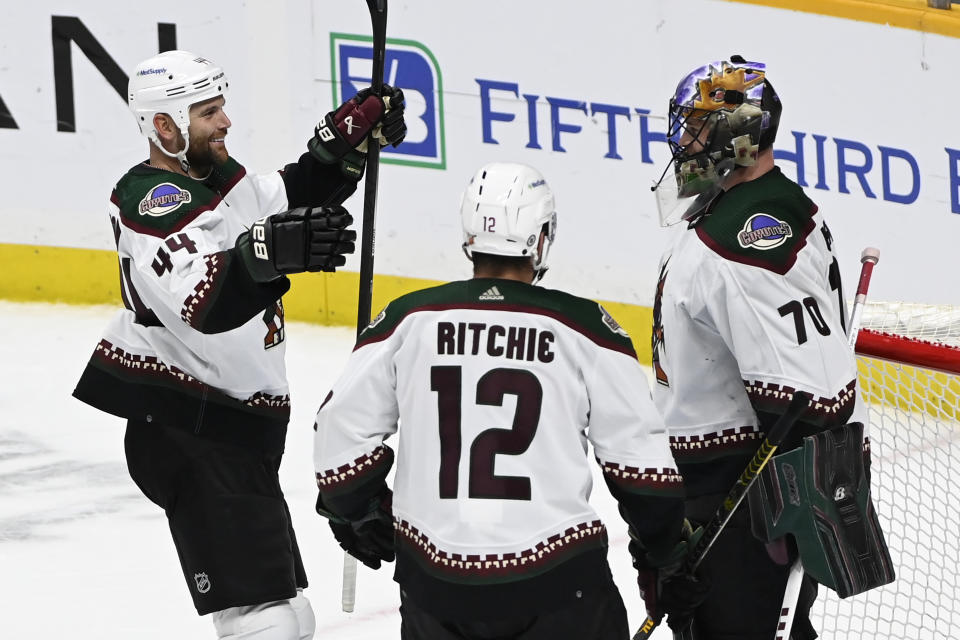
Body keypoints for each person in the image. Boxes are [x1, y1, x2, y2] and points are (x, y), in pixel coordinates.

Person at [72, 49, 406, 639]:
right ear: (164, 127)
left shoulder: (217, 180)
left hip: (232, 430)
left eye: (221, 107)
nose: (224, 122)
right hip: (191, 430)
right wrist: (274, 252)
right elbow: (208, 302)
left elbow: (290, 200)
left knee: (289, 614)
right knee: (264, 622)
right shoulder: (154, 202)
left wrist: (345, 145)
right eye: (207, 113)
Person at [312, 161, 708, 639]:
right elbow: (642, 472)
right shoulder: (587, 328)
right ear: (540, 238)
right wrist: (665, 557)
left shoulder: (408, 318)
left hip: (435, 592)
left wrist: (358, 506)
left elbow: (338, 436)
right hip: (559, 588)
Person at [649, 56, 893, 640]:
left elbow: (813, 403)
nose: (682, 140)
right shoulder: (753, 208)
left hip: (743, 503)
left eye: (699, 126)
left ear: (740, 133)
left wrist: (780, 517)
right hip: (726, 492)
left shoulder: (745, 238)